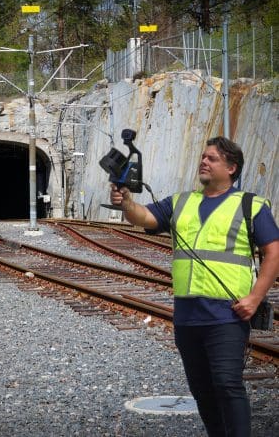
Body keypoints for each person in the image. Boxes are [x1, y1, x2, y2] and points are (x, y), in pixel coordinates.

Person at [110, 136, 279, 437]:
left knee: (227, 384)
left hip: (228, 315)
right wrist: (127, 202)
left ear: (231, 168)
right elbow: (144, 217)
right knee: (202, 389)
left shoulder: (250, 205)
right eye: (203, 156)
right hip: (187, 316)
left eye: (212, 158)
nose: (204, 161)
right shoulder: (181, 202)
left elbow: (273, 253)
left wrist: (255, 298)